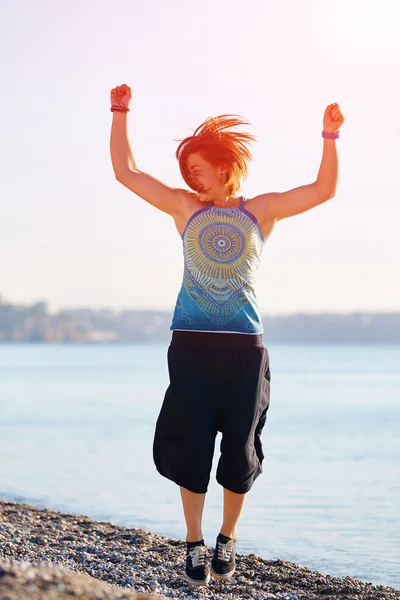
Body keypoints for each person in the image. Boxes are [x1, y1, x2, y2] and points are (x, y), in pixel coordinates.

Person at [109, 83, 344, 587]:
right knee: (191, 444)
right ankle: (193, 542)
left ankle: (227, 536)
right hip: (191, 345)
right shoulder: (183, 208)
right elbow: (125, 172)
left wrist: (329, 136)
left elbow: (323, 191)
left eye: (196, 167)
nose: (189, 177)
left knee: (240, 449)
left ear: (223, 165)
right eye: (185, 170)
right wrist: (120, 111)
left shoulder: (259, 211)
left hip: (244, 349)